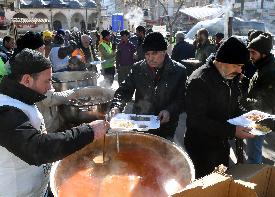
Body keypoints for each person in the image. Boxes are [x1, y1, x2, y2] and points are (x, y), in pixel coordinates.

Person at [0, 48, 109, 196]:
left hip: (38, 189)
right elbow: (37, 148)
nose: (50, 87)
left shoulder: (23, 98)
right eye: (47, 81)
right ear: (27, 80)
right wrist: (89, 131)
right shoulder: (5, 111)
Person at [184, 37, 254, 178]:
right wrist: (233, 130)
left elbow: (233, 103)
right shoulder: (199, 80)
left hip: (221, 144)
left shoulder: (230, 77)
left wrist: (247, 118)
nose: (240, 71)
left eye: (241, 66)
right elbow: (196, 120)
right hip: (201, 148)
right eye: (236, 66)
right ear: (221, 62)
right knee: (204, 186)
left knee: (220, 181)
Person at [109, 32, 187, 140]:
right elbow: (124, 90)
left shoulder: (179, 71)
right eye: (147, 54)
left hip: (165, 126)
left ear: (164, 52)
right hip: (140, 123)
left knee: (163, 154)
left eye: (154, 53)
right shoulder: (137, 68)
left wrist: (169, 111)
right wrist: (116, 106)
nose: (150, 58)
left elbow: (182, 98)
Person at [244, 33, 275, 164]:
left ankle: (254, 181)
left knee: (254, 156)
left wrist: (242, 100)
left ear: (264, 53)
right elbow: (259, 88)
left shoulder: (271, 71)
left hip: (262, 120)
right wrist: (244, 81)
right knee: (253, 152)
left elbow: (266, 104)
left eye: (253, 53)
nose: (250, 57)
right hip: (256, 116)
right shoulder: (264, 65)